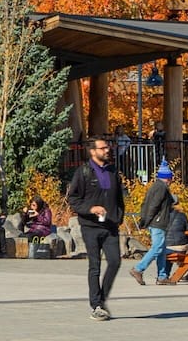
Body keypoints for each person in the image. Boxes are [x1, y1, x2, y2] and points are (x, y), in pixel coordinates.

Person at [65, 137, 124, 321]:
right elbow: (73, 199)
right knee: (95, 265)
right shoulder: (83, 172)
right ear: (93, 152)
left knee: (115, 261)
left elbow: (119, 197)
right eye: (103, 148)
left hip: (110, 225)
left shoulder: (113, 171)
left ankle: (101, 298)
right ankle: (96, 304)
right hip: (90, 226)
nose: (107, 150)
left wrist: (119, 216)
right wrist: (90, 209)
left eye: (108, 147)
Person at [131, 162, 176, 285]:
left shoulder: (156, 186)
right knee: (157, 248)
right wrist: (147, 220)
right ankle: (138, 269)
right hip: (158, 222)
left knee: (161, 250)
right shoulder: (161, 188)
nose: (172, 181)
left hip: (156, 221)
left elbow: (146, 204)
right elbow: (154, 206)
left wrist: (145, 219)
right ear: (168, 178)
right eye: (171, 178)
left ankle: (162, 276)